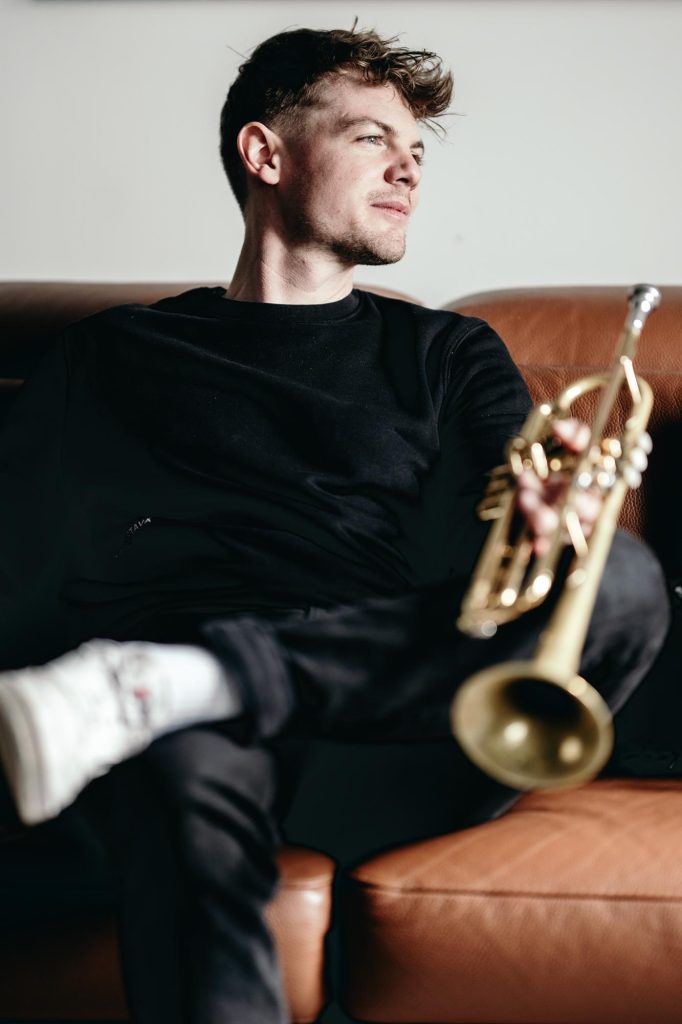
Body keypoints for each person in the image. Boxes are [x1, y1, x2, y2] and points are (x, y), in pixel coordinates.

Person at [0, 25, 669, 1024]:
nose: (408, 168)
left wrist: (546, 523)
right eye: (371, 138)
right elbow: (16, 569)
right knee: (178, 762)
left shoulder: (447, 354)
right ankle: (176, 690)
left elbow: (495, 546)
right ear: (265, 154)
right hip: (179, 736)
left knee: (621, 578)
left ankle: (189, 681)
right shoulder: (109, 356)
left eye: (417, 151)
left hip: (388, 725)